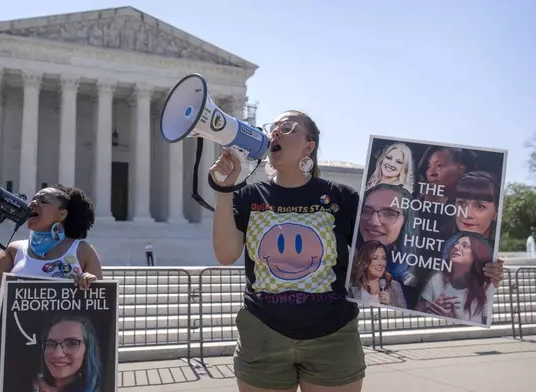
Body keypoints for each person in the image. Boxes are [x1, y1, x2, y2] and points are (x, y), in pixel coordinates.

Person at [209, 110, 505, 392]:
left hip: (332, 338)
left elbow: (398, 252)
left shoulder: (343, 198)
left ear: (308, 147)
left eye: (288, 128)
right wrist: (225, 188)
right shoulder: (248, 196)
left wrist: (480, 268)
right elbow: (225, 255)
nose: (276, 131)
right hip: (263, 337)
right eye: (273, 126)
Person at [0, 184, 104, 392]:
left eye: (43, 200)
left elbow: (99, 308)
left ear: (62, 214)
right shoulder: (15, 250)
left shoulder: (82, 250)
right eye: (33, 199)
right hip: (13, 347)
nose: (33, 204)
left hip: (60, 357)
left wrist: (89, 280)